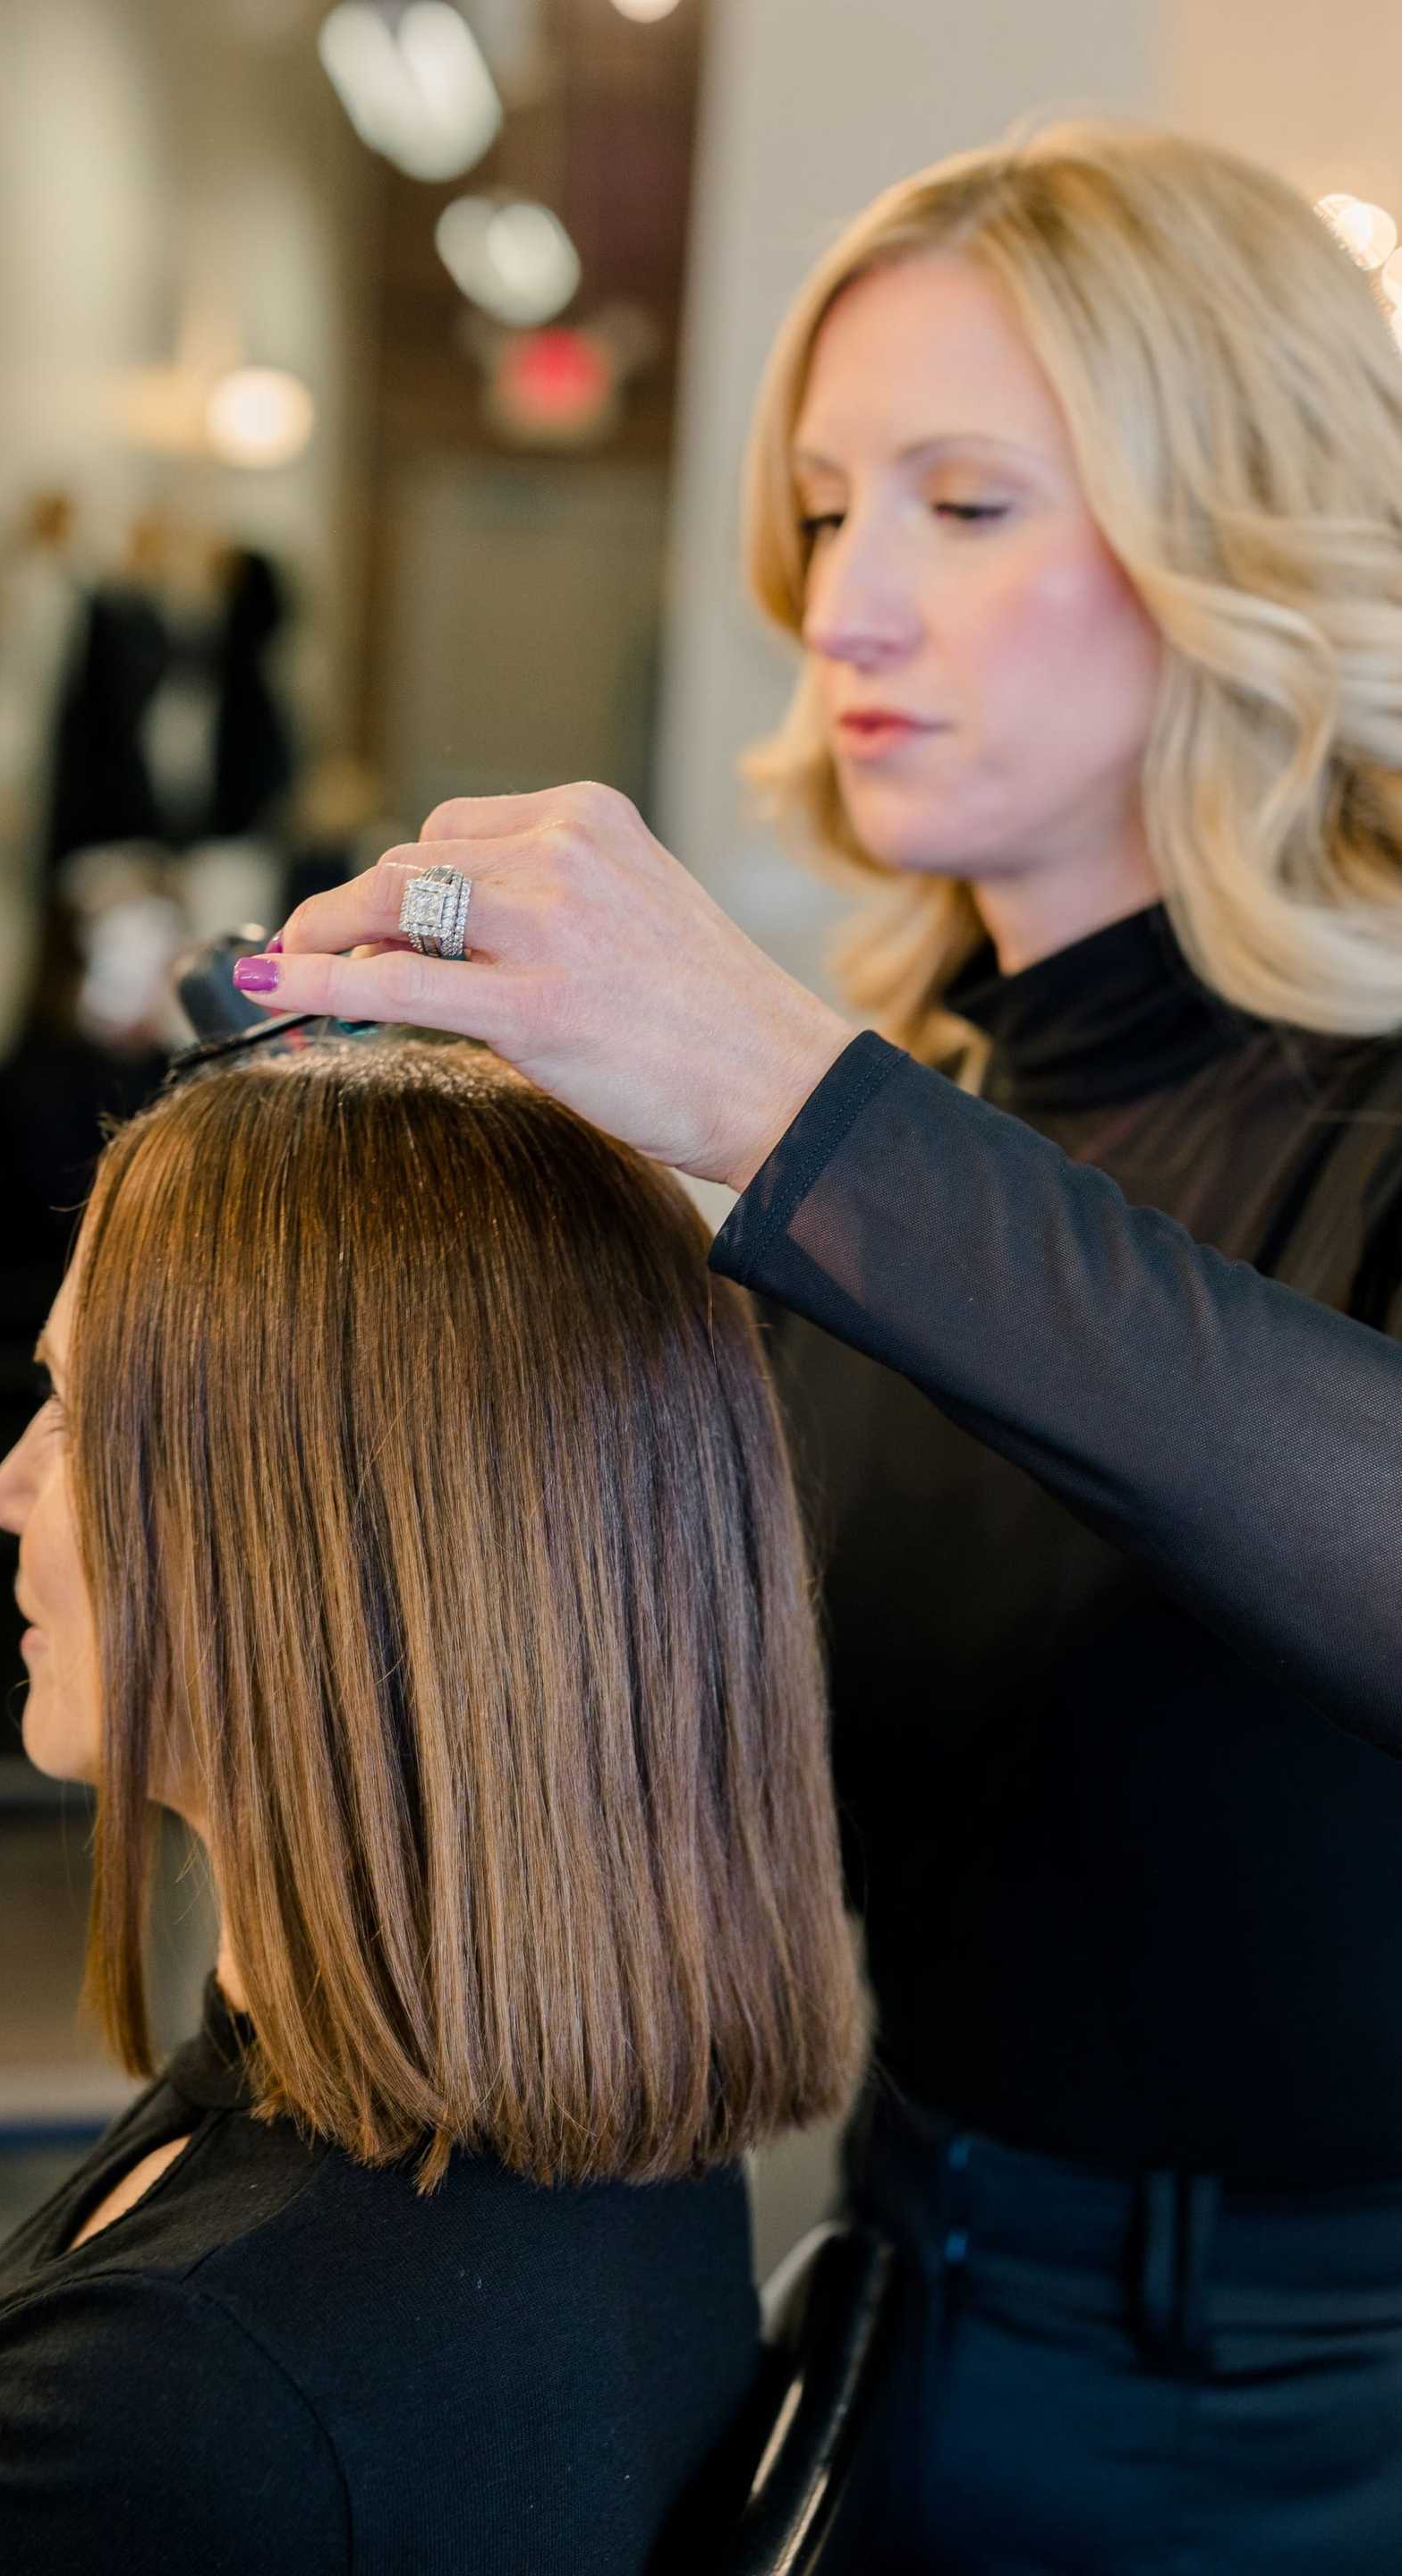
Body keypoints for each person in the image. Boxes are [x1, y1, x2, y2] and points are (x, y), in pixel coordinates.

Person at [251, 120, 1402, 2571]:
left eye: (968, 507)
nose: (844, 605)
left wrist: (781, 1108)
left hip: (1320, 2410)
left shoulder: (1256, 1131)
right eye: (825, 506)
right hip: (884, 2293)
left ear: (1244, 526)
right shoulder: (926, 1123)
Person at [0, 1038, 869, 2573]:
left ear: (294, 1550)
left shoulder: (166, 2412)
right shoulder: (609, 2138)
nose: (8, 1489)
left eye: (75, 1415)